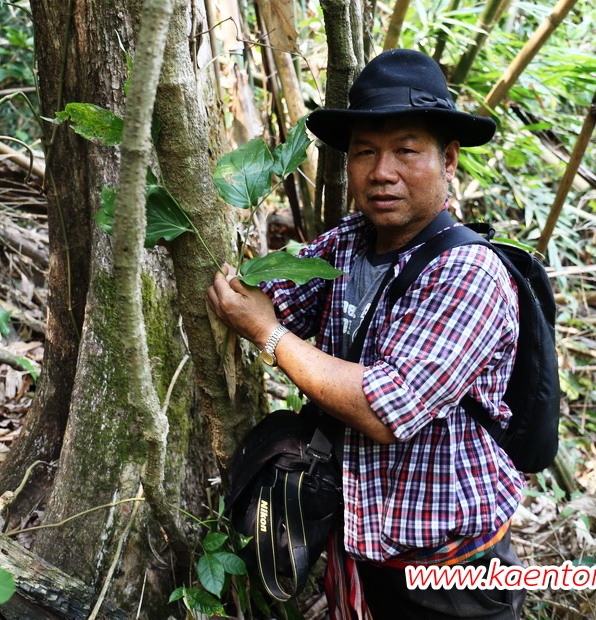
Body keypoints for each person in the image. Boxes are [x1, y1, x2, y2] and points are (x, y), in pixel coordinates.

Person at [207, 48, 526, 619]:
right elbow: (278, 296)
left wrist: (268, 335)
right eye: (364, 152)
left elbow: (385, 409)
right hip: (361, 552)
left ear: (449, 160)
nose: (382, 172)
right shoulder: (350, 242)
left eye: (407, 150)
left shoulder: (468, 273)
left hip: (452, 573)